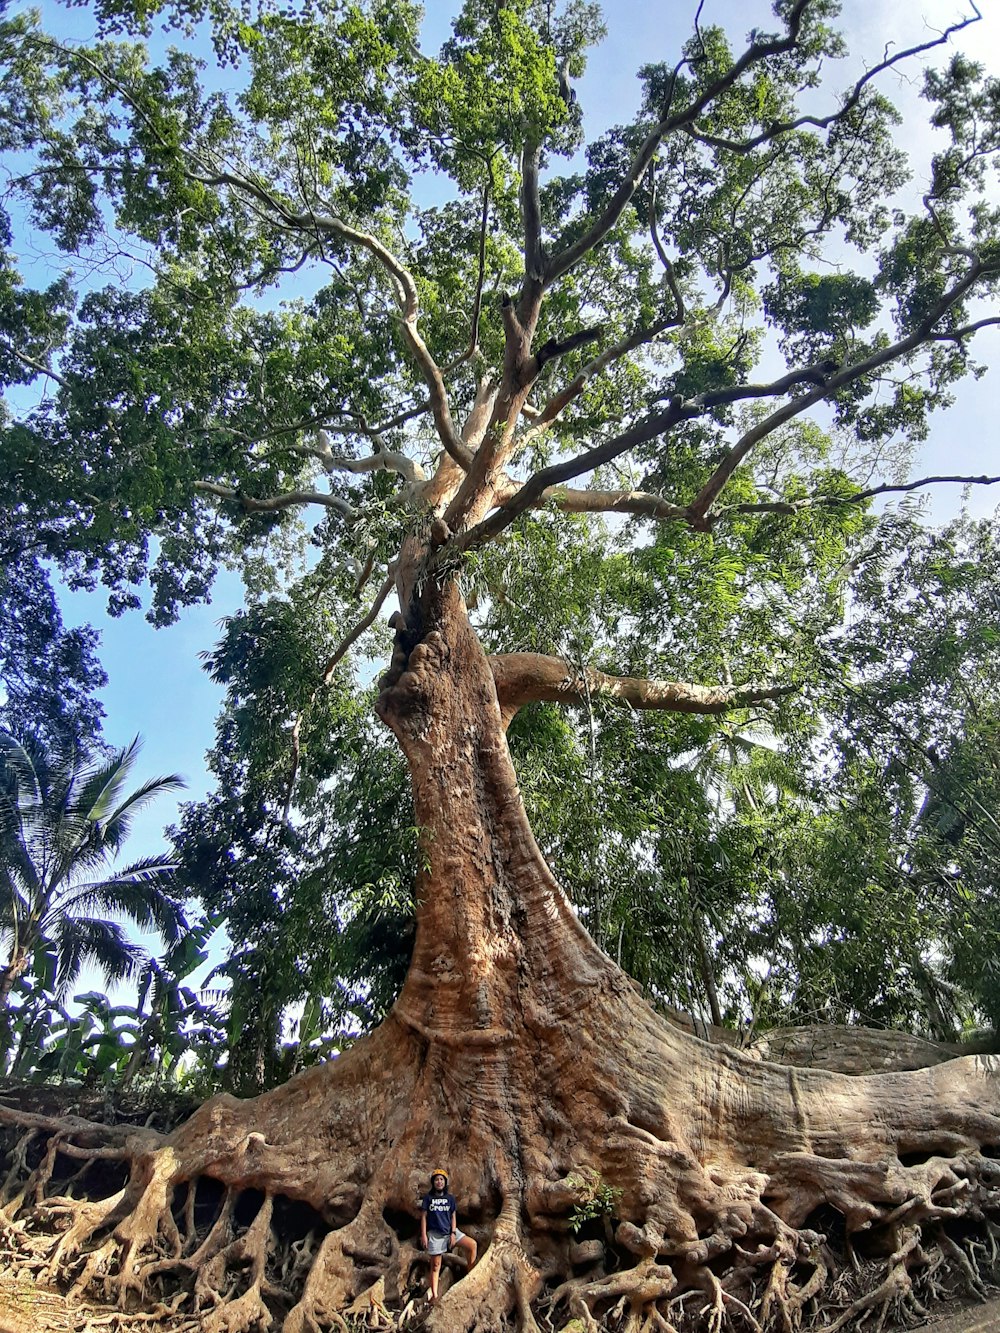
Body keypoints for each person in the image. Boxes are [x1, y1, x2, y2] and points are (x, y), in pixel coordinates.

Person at [420, 1168, 477, 1302]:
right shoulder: (428, 1199)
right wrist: (423, 1235)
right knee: (435, 1266)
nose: (439, 1182)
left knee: (472, 1245)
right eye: (436, 1179)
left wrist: (453, 1233)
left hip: (451, 1232)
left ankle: (471, 1278)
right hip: (435, 1235)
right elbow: (423, 1217)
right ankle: (434, 1296)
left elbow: (453, 1217)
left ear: (445, 1182)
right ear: (433, 1182)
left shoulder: (450, 1199)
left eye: (441, 1179)